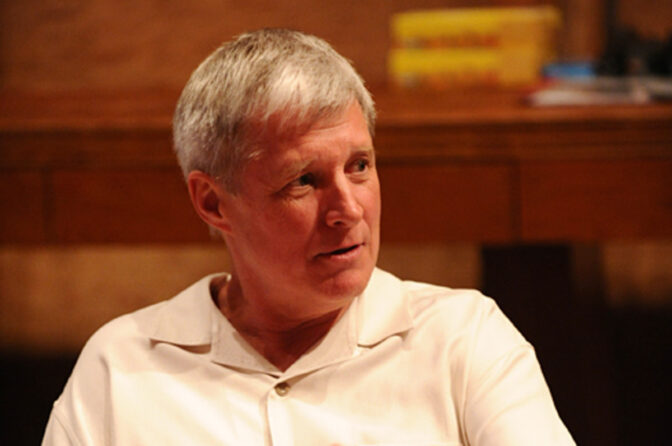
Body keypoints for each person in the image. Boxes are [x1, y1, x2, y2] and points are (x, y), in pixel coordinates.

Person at [42, 28, 574, 445]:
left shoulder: (464, 340)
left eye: (359, 166)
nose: (348, 209)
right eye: (303, 181)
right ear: (212, 202)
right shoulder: (120, 368)